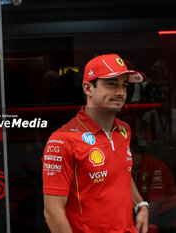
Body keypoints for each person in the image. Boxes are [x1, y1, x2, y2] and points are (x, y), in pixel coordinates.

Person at [42, 54, 149, 233]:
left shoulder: (123, 130)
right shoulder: (63, 139)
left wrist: (141, 205)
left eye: (124, 86)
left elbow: (121, 171)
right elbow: (53, 212)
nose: (121, 92)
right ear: (88, 88)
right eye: (111, 84)